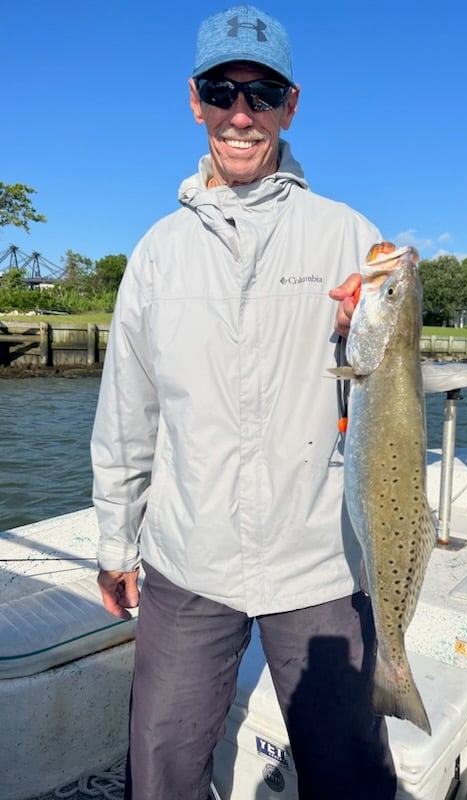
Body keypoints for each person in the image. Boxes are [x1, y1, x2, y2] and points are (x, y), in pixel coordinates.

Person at [91, 5, 397, 799]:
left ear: (291, 105)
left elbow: (386, 390)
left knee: (355, 777)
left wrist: (365, 320)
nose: (240, 112)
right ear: (194, 99)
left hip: (319, 562)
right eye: (222, 89)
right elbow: (129, 412)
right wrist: (116, 540)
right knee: (159, 774)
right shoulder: (157, 253)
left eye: (261, 94)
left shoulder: (349, 234)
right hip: (189, 559)